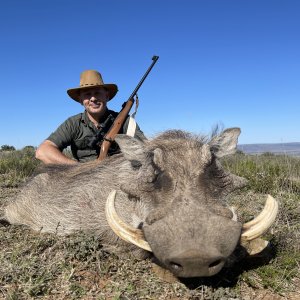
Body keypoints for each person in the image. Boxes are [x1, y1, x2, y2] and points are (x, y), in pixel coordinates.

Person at [35, 70, 145, 164]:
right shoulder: (73, 123)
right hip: (82, 178)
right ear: (80, 100)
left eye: (97, 93)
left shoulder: (125, 121)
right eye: (87, 94)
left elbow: (146, 149)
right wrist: (79, 168)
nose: (93, 98)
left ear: (106, 96)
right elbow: (43, 151)